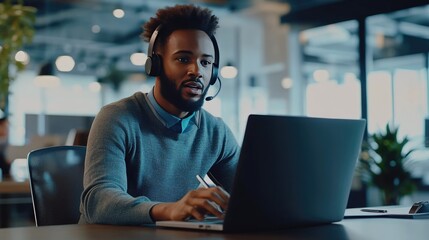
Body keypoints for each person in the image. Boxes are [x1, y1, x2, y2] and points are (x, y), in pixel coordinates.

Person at [79, 4, 240, 225]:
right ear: (155, 65)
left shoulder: (215, 132)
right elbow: (98, 201)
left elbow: (250, 194)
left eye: (206, 62)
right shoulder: (116, 118)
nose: (197, 71)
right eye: (183, 59)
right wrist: (167, 210)